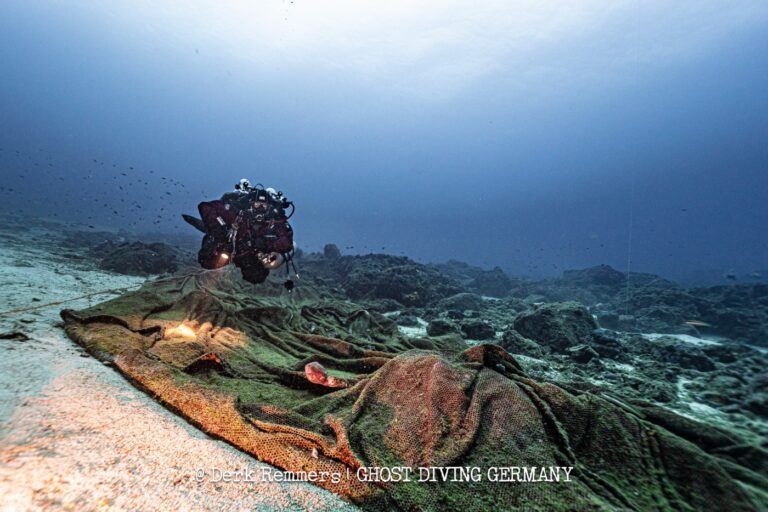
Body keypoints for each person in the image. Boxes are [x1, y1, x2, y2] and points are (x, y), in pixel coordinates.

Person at [183, 179, 296, 286]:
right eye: (257, 204)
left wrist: (266, 243)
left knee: (256, 277)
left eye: (264, 205)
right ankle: (209, 235)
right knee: (206, 261)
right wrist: (218, 229)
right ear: (251, 203)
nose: (260, 207)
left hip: (248, 254)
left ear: (269, 207)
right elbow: (206, 207)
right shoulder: (238, 211)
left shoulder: (274, 220)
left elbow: (287, 241)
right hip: (228, 244)